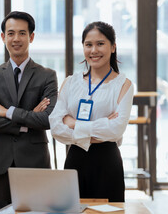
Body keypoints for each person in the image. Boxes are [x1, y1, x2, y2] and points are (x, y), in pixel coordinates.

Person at [0, 11, 58, 203]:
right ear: (3, 37)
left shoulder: (47, 75)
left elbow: (48, 119)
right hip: (0, 161)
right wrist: (27, 121)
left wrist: (8, 112)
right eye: (11, 33)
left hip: (35, 162)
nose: (16, 38)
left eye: (22, 33)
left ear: (31, 37)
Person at [49, 21, 134, 202]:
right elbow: (56, 127)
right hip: (74, 160)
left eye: (100, 44)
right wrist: (101, 125)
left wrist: (73, 124)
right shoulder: (70, 82)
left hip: (107, 163)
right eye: (88, 45)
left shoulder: (123, 85)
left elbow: (116, 129)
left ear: (113, 47)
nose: (94, 50)